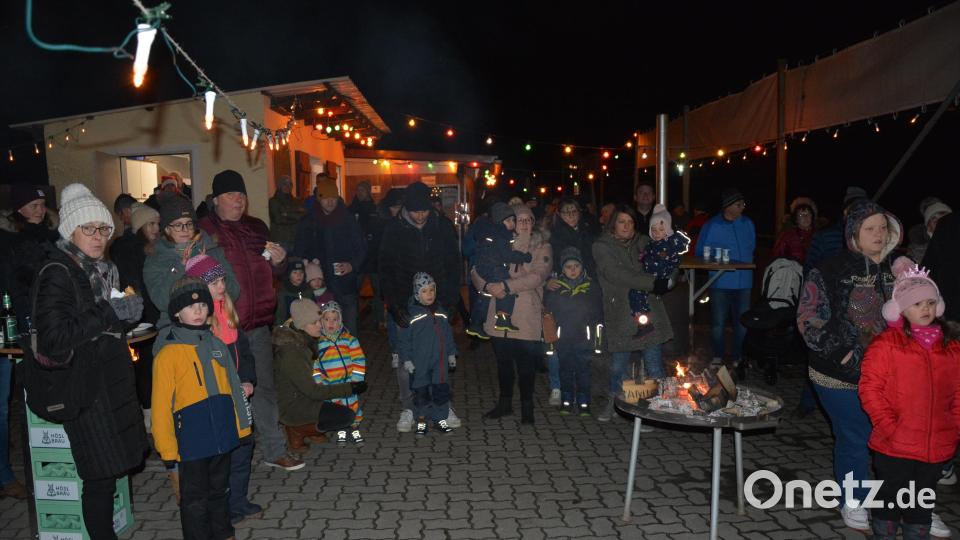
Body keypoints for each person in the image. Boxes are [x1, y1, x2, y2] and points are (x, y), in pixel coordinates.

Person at [33, 183, 148, 539]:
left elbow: (106, 321)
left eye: (104, 230)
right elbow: (54, 339)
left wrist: (126, 314)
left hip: (110, 384)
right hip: (85, 391)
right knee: (98, 477)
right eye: (89, 229)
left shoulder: (105, 270)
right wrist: (109, 312)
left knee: (110, 473)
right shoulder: (58, 272)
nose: (99, 237)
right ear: (70, 230)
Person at [797, 199, 902, 530]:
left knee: (890, 437)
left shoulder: (897, 270)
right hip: (839, 374)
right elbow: (808, 318)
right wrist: (844, 352)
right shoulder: (829, 268)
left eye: (882, 228)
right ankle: (852, 499)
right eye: (869, 229)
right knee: (854, 435)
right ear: (854, 234)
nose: (878, 235)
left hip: (888, 374)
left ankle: (902, 501)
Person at [198, 170, 302, 472]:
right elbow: (197, 271)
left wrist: (281, 261)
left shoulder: (257, 227)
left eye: (242, 195)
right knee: (225, 391)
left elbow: (275, 271)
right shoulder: (205, 230)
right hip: (223, 326)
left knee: (264, 387)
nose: (239, 200)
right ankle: (225, 457)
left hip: (258, 323)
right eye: (232, 195)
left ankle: (274, 449)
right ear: (216, 199)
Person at [859, 258, 960, 539]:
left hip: (936, 444)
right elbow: (870, 389)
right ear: (900, 310)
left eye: (930, 302)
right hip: (895, 445)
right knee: (890, 500)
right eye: (917, 304)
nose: (925, 309)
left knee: (922, 504)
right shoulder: (886, 346)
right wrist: (889, 426)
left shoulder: (952, 347)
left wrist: (954, 428)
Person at [152, 277, 252, 540]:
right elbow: (161, 406)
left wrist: (242, 426)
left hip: (222, 434)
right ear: (176, 311)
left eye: (202, 306)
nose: (197, 311)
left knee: (221, 491)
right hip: (192, 442)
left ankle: (224, 533)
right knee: (195, 499)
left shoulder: (217, 345)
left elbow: (233, 386)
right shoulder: (168, 354)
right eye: (188, 306)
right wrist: (168, 449)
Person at [183, 255, 260, 526]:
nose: (221, 286)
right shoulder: (201, 323)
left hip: (240, 395)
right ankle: (225, 508)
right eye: (214, 281)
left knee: (243, 451)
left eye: (222, 279)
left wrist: (248, 379)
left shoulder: (228, 312)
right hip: (220, 399)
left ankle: (239, 500)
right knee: (224, 459)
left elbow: (246, 354)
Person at [379, 181, 461, 433]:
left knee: (438, 354)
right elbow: (385, 269)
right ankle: (409, 407)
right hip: (405, 302)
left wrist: (451, 300)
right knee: (406, 357)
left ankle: (441, 404)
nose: (420, 215)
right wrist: (394, 306)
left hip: (436, 302)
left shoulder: (443, 226)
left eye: (424, 210)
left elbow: (452, 265)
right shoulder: (394, 229)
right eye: (415, 210)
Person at [474, 204, 552, 425]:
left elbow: (538, 276)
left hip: (526, 313)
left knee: (526, 364)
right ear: (512, 222)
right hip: (498, 310)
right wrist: (488, 286)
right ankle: (504, 403)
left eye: (529, 219)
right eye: (520, 219)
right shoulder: (497, 240)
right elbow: (476, 268)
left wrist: (506, 286)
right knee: (503, 362)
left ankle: (527, 407)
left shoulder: (542, 246)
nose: (525, 223)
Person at [593, 205, 672, 423]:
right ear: (613, 224)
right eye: (621, 222)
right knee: (618, 365)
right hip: (620, 311)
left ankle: (656, 410)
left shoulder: (645, 242)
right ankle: (615, 403)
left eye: (630, 222)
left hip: (648, 310)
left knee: (654, 363)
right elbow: (616, 274)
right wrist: (654, 283)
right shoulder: (601, 246)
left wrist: (670, 277)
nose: (626, 226)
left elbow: (667, 256)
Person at [273, 299, 367, 451]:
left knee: (338, 411)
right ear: (302, 325)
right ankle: (297, 429)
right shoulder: (292, 352)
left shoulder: (307, 340)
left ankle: (310, 428)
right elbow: (313, 390)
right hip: (293, 406)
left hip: (304, 396)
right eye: (315, 322)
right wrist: (349, 388)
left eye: (319, 320)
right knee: (345, 416)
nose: (320, 325)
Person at [144, 193, 239, 332]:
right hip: (175, 330)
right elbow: (162, 301)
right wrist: (179, 267)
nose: (185, 230)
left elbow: (235, 290)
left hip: (216, 326)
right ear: (166, 228)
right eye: (178, 225)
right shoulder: (156, 258)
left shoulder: (211, 249)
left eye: (189, 224)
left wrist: (208, 271)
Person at [293, 171, 366, 335]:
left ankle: (349, 355)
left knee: (349, 326)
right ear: (319, 198)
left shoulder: (347, 220)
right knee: (324, 327)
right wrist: (306, 266)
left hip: (345, 283)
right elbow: (299, 249)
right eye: (326, 198)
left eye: (333, 198)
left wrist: (352, 265)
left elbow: (361, 247)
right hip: (320, 286)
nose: (330, 202)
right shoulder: (309, 221)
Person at [695, 187, 756, 366]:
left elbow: (751, 247)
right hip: (720, 281)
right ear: (728, 206)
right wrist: (716, 259)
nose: (742, 207)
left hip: (744, 282)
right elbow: (700, 251)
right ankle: (717, 355)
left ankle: (738, 356)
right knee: (718, 323)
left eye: (743, 204)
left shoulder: (748, 224)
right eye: (739, 204)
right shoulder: (712, 225)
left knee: (743, 324)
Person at [110, 203, 162, 412]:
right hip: (141, 318)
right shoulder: (128, 250)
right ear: (140, 226)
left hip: (153, 314)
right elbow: (132, 285)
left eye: (158, 224)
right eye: (151, 224)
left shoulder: (155, 248)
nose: (156, 229)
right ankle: (148, 408)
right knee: (145, 366)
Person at [544, 247, 603, 416]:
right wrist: (550, 344)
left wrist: (597, 343)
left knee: (584, 372)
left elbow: (599, 318)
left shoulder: (591, 288)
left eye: (576, 266)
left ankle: (584, 402)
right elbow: (548, 319)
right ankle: (567, 400)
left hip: (585, 340)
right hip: (563, 341)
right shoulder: (555, 289)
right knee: (565, 371)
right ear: (562, 269)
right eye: (568, 267)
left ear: (582, 267)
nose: (572, 270)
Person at [398, 273, 458, 435]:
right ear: (417, 294)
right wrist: (407, 359)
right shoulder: (412, 316)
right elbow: (404, 341)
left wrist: (451, 353)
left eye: (432, 290)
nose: (429, 294)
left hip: (439, 363)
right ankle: (422, 420)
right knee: (421, 394)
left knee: (441, 392)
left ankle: (440, 419)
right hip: (420, 363)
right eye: (424, 291)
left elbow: (448, 335)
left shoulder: (441, 312)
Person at [466, 202, 532, 337]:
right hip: (494, 267)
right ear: (499, 221)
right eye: (508, 220)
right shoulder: (500, 235)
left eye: (513, 220)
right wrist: (524, 257)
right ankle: (503, 320)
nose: (512, 223)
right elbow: (506, 255)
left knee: (485, 296)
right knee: (508, 289)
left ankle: (476, 323)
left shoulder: (491, 233)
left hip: (485, 267)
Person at [629, 204, 689, 339]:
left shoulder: (670, 244)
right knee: (635, 294)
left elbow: (676, 255)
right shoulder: (652, 244)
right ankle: (643, 322)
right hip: (649, 276)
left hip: (660, 277)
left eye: (661, 229)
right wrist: (643, 257)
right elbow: (647, 256)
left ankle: (644, 323)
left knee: (637, 293)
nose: (656, 233)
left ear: (667, 230)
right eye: (653, 229)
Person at [312, 301, 367, 446]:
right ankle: (341, 429)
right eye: (327, 319)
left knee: (353, 404)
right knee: (338, 407)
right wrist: (319, 382)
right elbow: (314, 366)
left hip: (349, 381)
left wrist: (357, 379)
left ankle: (355, 427)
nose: (331, 323)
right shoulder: (318, 343)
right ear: (321, 321)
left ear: (340, 321)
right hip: (331, 384)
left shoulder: (349, 340)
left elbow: (359, 359)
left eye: (335, 319)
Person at [350, 181, 385, 330]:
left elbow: (379, 232)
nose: (360, 192)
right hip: (357, 258)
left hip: (373, 257)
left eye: (363, 189)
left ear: (368, 191)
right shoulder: (351, 210)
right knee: (353, 292)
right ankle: (354, 321)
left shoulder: (375, 209)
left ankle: (378, 321)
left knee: (378, 291)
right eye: (358, 189)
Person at [549, 198, 597, 278]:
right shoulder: (554, 236)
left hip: (588, 277)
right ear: (559, 214)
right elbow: (552, 263)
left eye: (574, 211)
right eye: (566, 212)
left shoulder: (587, 232)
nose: (571, 215)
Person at [772, 197, 818, 264]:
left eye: (808, 214)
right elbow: (776, 256)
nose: (805, 217)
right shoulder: (787, 236)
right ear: (796, 219)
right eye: (801, 215)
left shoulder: (819, 235)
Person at [908, 198, 951, 264]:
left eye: (943, 216)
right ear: (929, 229)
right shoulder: (919, 253)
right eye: (934, 219)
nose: (939, 221)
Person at [268, 175, 305, 251]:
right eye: (284, 184)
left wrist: (287, 214)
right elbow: (278, 219)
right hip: (280, 239)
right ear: (279, 186)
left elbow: (302, 215)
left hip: (294, 238)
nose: (288, 187)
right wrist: (295, 217)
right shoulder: (274, 201)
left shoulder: (295, 201)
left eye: (290, 184)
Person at [275, 258, 308, 325]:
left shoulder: (308, 291)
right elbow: (279, 317)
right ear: (288, 275)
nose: (299, 275)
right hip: (290, 330)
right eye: (295, 272)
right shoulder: (283, 294)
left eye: (301, 272)